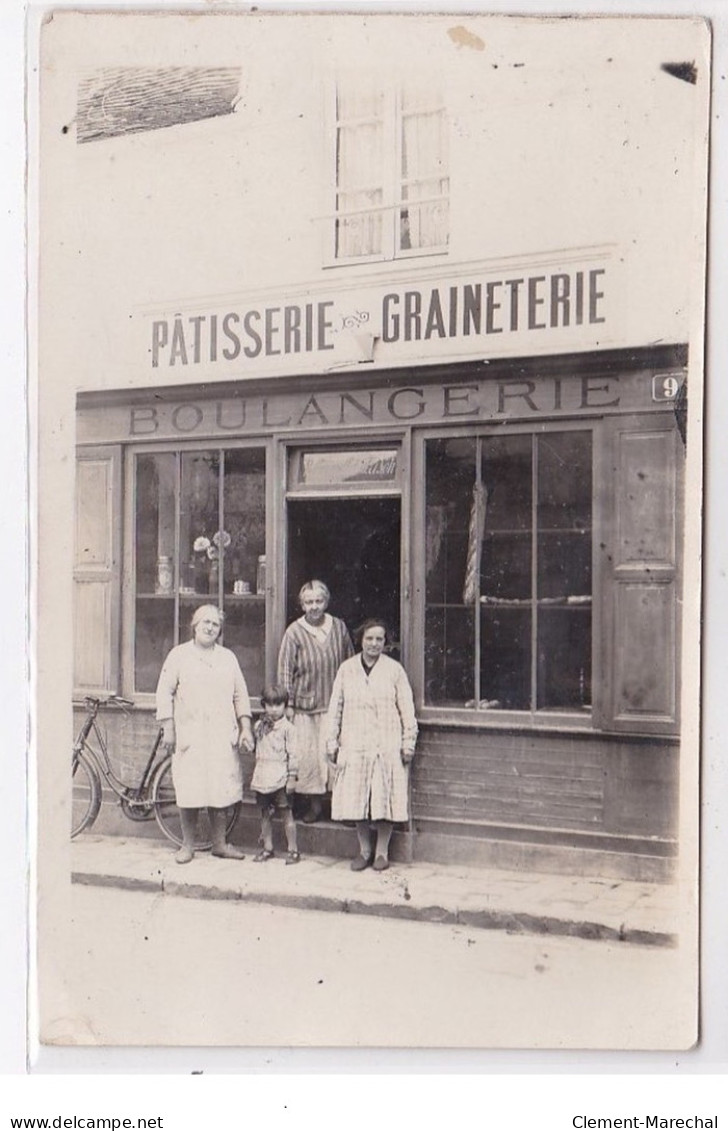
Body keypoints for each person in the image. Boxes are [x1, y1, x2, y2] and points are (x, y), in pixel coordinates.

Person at [156, 604, 254, 864]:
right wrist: (169, 728)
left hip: (221, 734)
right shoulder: (179, 656)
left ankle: (220, 844)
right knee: (190, 789)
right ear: (194, 626)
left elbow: (240, 694)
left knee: (220, 790)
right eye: (205, 622)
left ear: (220, 630)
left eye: (215, 624)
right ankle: (187, 845)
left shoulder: (227, 658)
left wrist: (245, 727)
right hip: (191, 734)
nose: (210, 628)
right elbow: (164, 692)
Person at [325, 618, 418, 872]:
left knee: (384, 798)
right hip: (354, 743)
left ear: (385, 642)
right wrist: (331, 741)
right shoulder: (346, 669)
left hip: (387, 744)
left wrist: (408, 742)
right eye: (369, 639)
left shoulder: (394, 670)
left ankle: (381, 852)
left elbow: (407, 709)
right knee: (357, 799)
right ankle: (364, 850)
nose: (374, 644)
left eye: (379, 639)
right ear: (361, 640)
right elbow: (335, 708)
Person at [277, 580, 354, 823]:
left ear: (326, 602)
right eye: (309, 602)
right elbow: (286, 671)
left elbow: (350, 662)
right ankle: (316, 807)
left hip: (334, 706)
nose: (314, 607)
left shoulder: (339, 627)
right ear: (302, 604)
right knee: (310, 758)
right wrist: (287, 704)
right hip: (305, 708)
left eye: (318, 601)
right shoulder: (294, 632)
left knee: (334, 756)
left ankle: (341, 808)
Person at [250, 684, 301, 864]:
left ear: (285, 706)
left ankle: (293, 850)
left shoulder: (288, 729)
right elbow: (256, 749)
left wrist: (292, 777)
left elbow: (293, 754)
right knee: (265, 814)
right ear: (264, 705)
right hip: (263, 777)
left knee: (287, 814)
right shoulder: (259, 726)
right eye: (269, 705)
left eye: (278, 705)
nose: (273, 709)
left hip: (280, 777)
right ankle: (268, 848)